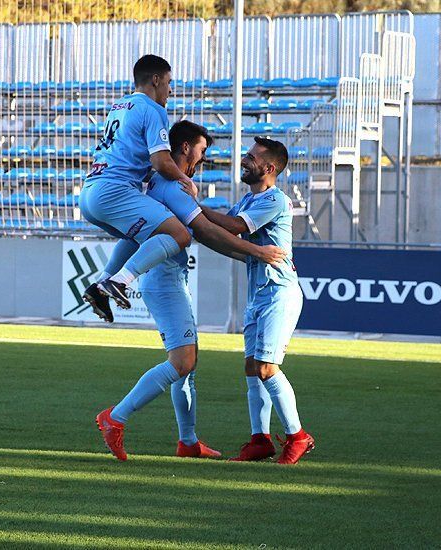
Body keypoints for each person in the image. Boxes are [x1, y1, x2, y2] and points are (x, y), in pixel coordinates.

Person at [94, 121, 288, 461]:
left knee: (188, 364)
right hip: (164, 281)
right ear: (185, 148)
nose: (202, 159)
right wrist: (257, 253)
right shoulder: (172, 186)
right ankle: (115, 418)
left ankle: (188, 441)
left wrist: (108, 274)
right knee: (183, 361)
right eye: (201, 151)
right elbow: (207, 231)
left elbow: (134, 237)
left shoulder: (157, 184)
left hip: (167, 279)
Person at [200, 137, 314, 465]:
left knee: (266, 367)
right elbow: (225, 233)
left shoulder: (275, 200)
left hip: (279, 294)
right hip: (259, 296)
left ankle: (297, 437)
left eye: (251, 157)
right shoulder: (249, 200)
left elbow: (234, 227)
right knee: (252, 369)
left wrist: (195, 207)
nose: (244, 161)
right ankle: (260, 440)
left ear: (269, 168)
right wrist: (192, 220)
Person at [79, 54, 193, 315]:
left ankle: (99, 286)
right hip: (114, 190)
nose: (170, 90)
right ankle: (119, 281)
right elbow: (161, 161)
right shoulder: (154, 110)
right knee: (180, 235)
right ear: (155, 80)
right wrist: (185, 180)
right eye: (168, 82)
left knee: (142, 233)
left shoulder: (120, 105)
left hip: (90, 193)